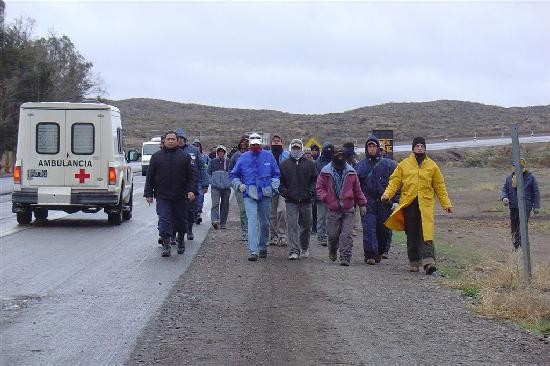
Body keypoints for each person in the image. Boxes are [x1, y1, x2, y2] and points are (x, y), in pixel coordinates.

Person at [381, 137, 453, 274]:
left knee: (426, 232)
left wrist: (446, 204)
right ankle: (414, 261)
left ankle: (429, 262)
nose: (420, 148)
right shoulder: (404, 164)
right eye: (417, 146)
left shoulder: (432, 166)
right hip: (409, 205)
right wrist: (387, 195)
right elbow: (394, 181)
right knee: (412, 233)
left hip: (425, 205)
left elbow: (439, 186)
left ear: (425, 148)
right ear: (413, 148)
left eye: (422, 146)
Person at [144, 131, 197, 257]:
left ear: (177, 141)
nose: (171, 141)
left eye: (173, 139)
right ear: (164, 141)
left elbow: (192, 176)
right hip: (162, 195)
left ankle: (180, 240)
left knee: (180, 219)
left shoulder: (185, 157)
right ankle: (166, 245)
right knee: (164, 219)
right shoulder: (156, 157)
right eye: (168, 139)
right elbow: (150, 177)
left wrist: (191, 190)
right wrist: (148, 194)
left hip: (180, 195)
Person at [231, 133, 281, 261]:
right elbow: (233, 175)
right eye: (252, 145)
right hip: (249, 193)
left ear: (260, 144)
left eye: (257, 145)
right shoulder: (243, 158)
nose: (255, 147)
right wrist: (239, 185)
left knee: (264, 223)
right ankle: (253, 251)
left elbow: (276, 174)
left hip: (265, 193)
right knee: (252, 221)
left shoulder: (268, 156)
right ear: (249, 145)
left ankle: (262, 246)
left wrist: (274, 187)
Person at [316, 147, 367, 266]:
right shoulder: (325, 171)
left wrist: (363, 203)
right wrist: (326, 197)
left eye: (342, 155)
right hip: (333, 208)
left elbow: (357, 190)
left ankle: (345, 257)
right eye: (338, 155)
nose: (340, 157)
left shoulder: (351, 172)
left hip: (348, 208)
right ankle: (332, 250)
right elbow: (319, 187)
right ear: (333, 156)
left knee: (347, 235)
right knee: (333, 235)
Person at [356, 136, 398, 264]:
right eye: (370, 146)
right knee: (369, 228)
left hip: (385, 203)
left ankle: (380, 251)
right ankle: (369, 254)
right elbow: (355, 185)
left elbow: (397, 184)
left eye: (374, 146)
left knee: (383, 230)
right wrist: (358, 202)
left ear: (378, 148)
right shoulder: (360, 166)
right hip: (368, 202)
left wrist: (396, 201)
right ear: (366, 148)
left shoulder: (390, 165)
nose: (372, 149)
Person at [279, 139, 317, 260]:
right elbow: (280, 182)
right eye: (294, 148)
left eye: (298, 148)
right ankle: (294, 250)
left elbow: (314, 180)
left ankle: (304, 247)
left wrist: (311, 192)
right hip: (291, 200)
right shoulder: (284, 165)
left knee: (306, 225)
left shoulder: (310, 164)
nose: (296, 150)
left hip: (306, 200)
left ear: (301, 148)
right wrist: (285, 192)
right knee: (292, 225)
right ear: (291, 148)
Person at [175, 128, 208, 241]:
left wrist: (205, 183)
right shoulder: (171, 150)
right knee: (175, 210)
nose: (180, 141)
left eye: (182, 138)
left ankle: (189, 229)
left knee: (190, 209)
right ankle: (175, 232)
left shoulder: (194, 150)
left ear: (185, 139)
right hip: (177, 184)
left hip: (192, 183)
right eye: (178, 138)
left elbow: (202, 167)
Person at [500, 158, 541, 250]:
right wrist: (504, 197)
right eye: (515, 166)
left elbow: (536, 192)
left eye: (519, 166)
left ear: (523, 167)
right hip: (514, 206)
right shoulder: (509, 178)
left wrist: (536, 206)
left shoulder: (530, 177)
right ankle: (515, 246)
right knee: (514, 226)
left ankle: (524, 246)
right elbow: (504, 189)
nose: (517, 168)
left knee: (522, 226)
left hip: (526, 206)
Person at [269, 134, 290, 246]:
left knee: (282, 211)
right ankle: (273, 236)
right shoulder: (267, 155)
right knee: (271, 212)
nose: (276, 142)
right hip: (270, 186)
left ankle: (282, 235)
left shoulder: (287, 155)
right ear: (271, 143)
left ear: (282, 142)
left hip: (284, 186)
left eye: (278, 140)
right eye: (274, 141)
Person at [229, 134, 250, 241]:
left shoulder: (255, 154)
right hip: (240, 187)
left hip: (253, 186)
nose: (244, 143)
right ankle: (245, 231)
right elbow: (230, 172)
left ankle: (253, 230)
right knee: (243, 211)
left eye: (246, 141)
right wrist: (235, 184)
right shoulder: (235, 156)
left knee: (254, 211)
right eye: (242, 141)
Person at [314, 142, 334, 246]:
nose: (328, 152)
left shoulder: (336, 161)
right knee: (321, 216)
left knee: (331, 216)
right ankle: (321, 236)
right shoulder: (317, 162)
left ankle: (330, 236)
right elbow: (316, 177)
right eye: (327, 149)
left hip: (333, 193)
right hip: (321, 192)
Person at [192, 139, 211, 224]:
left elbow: (205, 170)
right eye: (194, 146)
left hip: (200, 180)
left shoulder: (205, 157)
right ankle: (192, 214)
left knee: (200, 197)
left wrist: (206, 184)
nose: (196, 147)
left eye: (198, 146)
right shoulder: (189, 156)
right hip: (190, 180)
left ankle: (198, 213)